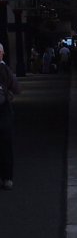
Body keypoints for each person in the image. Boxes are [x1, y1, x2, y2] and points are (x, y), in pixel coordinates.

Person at [0, 43, 20, 190]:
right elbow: (17, 89)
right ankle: (7, 178)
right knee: (6, 145)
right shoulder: (5, 69)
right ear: (2, 53)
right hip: (3, 111)